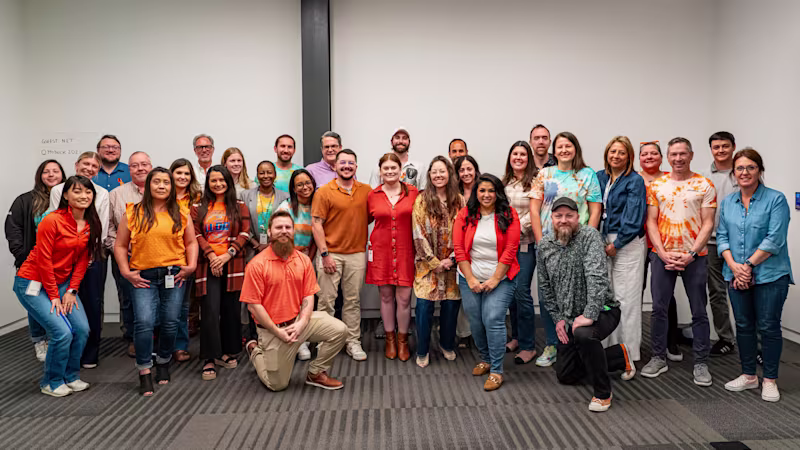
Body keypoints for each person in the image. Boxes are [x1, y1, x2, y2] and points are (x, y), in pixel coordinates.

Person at [538, 197, 636, 412]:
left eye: (569, 216)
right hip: (570, 317)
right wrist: (559, 319)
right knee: (566, 375)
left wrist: (590, 314)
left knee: (584, 335)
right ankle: (619, 355)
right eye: (558, 216)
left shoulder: (589, 236)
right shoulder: (544, 245)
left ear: (578, 217)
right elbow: (545, 288)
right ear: (551, 219)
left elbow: (597, 277)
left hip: (603, 310)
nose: (564, 220)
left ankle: (603, 393)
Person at [13, 175, 101, 397]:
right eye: (77, 191)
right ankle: (51, 382)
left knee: (81, 329)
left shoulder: (90, 222)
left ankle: (70, 377)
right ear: (66, 196)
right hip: (32, 282)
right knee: (62, 332)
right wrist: (54, 296)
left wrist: (71, 290)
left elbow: (82, 260)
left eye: (88, 191)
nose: (84, 196)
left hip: (62, 283)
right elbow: (43, 260)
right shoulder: (52, 220)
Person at [114, 168, 198, 396]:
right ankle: (144, 371)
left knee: (171, 321)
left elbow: (191, 242)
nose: (161, 186)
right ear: (148, 185)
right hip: (143, 277)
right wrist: (126, 271)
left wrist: (191, 266)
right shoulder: (132, 212)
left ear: (172, 187)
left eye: (166, 183)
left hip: (175, 274)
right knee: (144, 322)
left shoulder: (180, 212)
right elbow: (120, 246)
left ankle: (163, 361)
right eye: (157, 182)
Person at [242, 211, 347, 391]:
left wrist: (302, 323)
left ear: (293, 232)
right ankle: (255, 351)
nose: (284, 231)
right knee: (277, 385)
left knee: (340, 330)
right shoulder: (257, 264)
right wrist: (278, 332)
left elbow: (308, 296)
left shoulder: (303, 260)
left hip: (299, 322)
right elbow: (253, 305)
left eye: (288, 227)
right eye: (278, 227)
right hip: (273, 331)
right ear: (269, 232)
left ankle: (315, 373)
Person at [718, 148, 792, 402]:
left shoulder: (776, 199)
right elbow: (722, 238)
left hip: (771, 275)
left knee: (769, 327)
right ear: (733, 173)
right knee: (744, 326)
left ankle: (769, 379)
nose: (745, 172)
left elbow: (775, 240)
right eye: (740, 168)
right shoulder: (728, 202)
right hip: (735, 273)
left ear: (759, 170)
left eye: (750, 167)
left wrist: (747, 266)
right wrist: (735, 267)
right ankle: (749, 375)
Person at [642, 137, 715, 387]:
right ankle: (658, 357)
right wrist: (661, 253)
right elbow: (651, 221)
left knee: (698, 311)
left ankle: (701, 362)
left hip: (695, 256)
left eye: (683, 154)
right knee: (659, 309)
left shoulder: (704, 184)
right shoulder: (657, 185)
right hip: (663, 255)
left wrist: (691, 253)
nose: (678, 158)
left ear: (691, 155)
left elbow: (708, 223)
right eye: (673, 154)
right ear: (668, 157)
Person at [530, 131, 602, 367]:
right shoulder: (545, 174)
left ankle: (576, 341)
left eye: (568, 146)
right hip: (550, 243)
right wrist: (542, 243)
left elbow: (595, 210)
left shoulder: (587, 174)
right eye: (560, 146)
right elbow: (535, 209)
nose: (564, 150)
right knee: (548, 293)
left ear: (575, 149)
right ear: (554, 150)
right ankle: (553, 343)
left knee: (577, 293)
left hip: (577, 243)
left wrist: (587, 240)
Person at [454, 174, 520, 391]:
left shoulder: (509, 215)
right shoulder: (465, 214)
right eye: (482, 190)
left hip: (501, 278)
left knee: (492, 318)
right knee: (475, 320)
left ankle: (497, 370)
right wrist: (471, 279)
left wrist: (495, 279)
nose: (486, 195)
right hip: (469, 277)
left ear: (498, 192)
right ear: (476, 193)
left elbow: (511, 250)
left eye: (491, 190)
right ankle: (486, 358)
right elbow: (459, 250)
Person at [49, 152, 110, 369]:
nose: (90, 168)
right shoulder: (59, 190)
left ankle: (90, 353)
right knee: (64, 302)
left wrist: (89, 252)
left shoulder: (102, 193)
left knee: (93, 303)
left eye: (95, 165)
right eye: (86, 164)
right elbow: (56, 220)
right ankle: (64, 352)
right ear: (76, 165)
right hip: (63, 256)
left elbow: (100, 227)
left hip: (91, 254)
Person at [191, 166, 251, 380]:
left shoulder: (239, 206)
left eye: (222, 180)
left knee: (230, 309)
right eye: (213, 180)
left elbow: (245, 232)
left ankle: (226, 351)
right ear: (208, 183)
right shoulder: (198, 207)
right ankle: (209, 357)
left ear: (228, 182)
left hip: (232, 263)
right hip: (207, 264)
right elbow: (196, 235)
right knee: (209, 310)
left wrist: (227, 255)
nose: (218, 184)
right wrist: (212, 256)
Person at [312, 149, 371, 361]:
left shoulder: (366, 190)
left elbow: (369, 218)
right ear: (335, 166)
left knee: (353, 301)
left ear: (356, 166)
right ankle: (324, 342)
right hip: (331, 254)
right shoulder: (324, 191)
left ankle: (352, 341)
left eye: (351, 163)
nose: (347, 166)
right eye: (343, 162)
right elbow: (316, 223)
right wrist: (325, 254)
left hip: (356, 254)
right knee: (326, 301)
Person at [5, 160, 65, 362]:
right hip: (33, 264)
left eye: (55, 171)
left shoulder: (68, 199)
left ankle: (56, 338)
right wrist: (22, 256)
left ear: (62, 174)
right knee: (36, 303)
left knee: (56, 301)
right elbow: (13, 229)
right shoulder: (25, 200)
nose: (51, 175)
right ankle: (40, 341)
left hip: (61, 264)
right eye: (46, 172)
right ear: (39, 175)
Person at [596, 136, 647, 362]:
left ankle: (629, 352)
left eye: (621, 153)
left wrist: (617, 244)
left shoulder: (634, 181)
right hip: (602, 239)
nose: (616, 156)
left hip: (625, 242)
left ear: (629, 157)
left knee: (626, 299)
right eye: (612, 151)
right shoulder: (599, 177)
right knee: (607, 298)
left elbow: (634, 218)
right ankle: (609, 349)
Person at [367, 153, 419, 361]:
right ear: (380, 171)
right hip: (381, 251)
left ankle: (403, 340)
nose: (389, 171)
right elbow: (363, 221)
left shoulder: (413, 193)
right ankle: (390, 339)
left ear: (401, 171)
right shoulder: (373, 195)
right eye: (385, 168)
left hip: (407, 251)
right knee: (386, 296)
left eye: (393, 168)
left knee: (404, 298)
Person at [413, 156, 464, 367]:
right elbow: (418, 234)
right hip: (427, 265)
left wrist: (451, 259)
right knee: (424, 307)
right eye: (434, 171)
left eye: (442, 171)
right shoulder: (422, 200)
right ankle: (422, 350)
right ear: (429, 175)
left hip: (453, 264)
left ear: (449, 174)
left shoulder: (459, 200)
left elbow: (464, 232)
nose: (438, 175)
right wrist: (435, 262)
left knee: (451, 306)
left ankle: (446, 344)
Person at [501, 141, 547, 364]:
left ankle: (529, 346)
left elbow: (536, 210)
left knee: (522, 293)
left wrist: (515, 228)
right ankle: (517, 337)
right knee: (510, 294)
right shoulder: (504, 182)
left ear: (528, 158)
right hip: (505, 248)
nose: (518, 157)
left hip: (525, 245)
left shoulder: (536, 181)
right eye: (514, 154)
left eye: (522, 154)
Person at [106, 152, 153, 361]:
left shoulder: (161, 191)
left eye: (144, 164)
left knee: (155, 298)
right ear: (129, 169)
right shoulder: (116, 194)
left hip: (155, 257)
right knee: (128, 299)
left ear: (151, 166)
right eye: (135, 165)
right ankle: (133, 338)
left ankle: (154, 336)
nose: (140, 168)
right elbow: (108, 227)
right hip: (126, 257)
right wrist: (122, 249)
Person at [639, 141, 683, 361]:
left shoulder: (671, 178)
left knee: (665, 296)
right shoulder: (634, 179)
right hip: (637, 243)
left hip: (664, 246)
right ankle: (634, 341)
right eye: (644, 154)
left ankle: (670, 342)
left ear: (661, 157)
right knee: (636, 292)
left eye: (653, 153)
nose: (649, 157)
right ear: (639, 158)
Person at [239, 160, 289, 349]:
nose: (266, 176)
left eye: (269, 172)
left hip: (276, 249)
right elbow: (241, 222)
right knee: (253, 292)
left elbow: (285, 222)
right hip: (251, 249)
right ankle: (252, 334)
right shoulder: (246, 195)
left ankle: (273, 331)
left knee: (274, 290)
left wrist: (270, 244)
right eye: (262, 173)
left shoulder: (284, 197)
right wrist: (255, 243)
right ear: (256, 175)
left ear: (275, 175)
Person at [276, 168, 318, 361]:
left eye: (307, 183)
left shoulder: (317, 204)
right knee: (293, 302)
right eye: (299, 184)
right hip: (290, 258)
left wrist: (310, 257)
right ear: (293, 188)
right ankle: (297, 342)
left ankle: (307, 338)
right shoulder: (286, 207)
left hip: (311, 257)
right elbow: (279, 234)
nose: (304, 187)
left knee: (309, 300)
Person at [704, 131, 738, 357]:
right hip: (712, 243)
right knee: (716, 293)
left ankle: (755, 344)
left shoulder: (743, 172)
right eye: (716, 147)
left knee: (743, 291)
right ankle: (726, 338)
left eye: (725, 146)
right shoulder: (704, 177)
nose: (721, 150)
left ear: (733, 147)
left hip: (739, 244)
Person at [170, 158, 203, 362]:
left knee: (183, 305)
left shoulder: (197, 198)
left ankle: (180, 346)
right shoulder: (164, 195)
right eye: (178, 173)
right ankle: (164, 346)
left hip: (189, 256)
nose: (182, 177)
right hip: (165, 256)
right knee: (166, 307)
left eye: (186, 174)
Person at [453, 154, 480, 347]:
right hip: (459, 247)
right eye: (462, 170)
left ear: (476, 170)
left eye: (469, 169)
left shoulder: (484, 191)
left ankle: (481, 333)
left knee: (480, 291)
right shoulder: (454, 195)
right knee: (463, 292)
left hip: (481, 248)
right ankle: (464, 333)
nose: (466, 173)